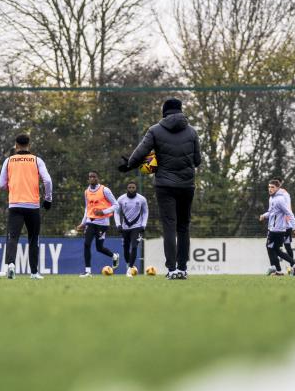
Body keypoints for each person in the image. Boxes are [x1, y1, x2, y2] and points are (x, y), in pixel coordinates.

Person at [119, 98, 202, 280]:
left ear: (164, 112)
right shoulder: (192, 132)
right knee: (183, 227)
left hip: (165, 185)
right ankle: (182, 269)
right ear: (180, 111)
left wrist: (129, 165)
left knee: (169, 226)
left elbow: (140, 153)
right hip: (187, 185)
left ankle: (171, 270)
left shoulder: (155, 130)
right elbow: (197, 161)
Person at [0, 133, 52, 280]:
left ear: (16, 145)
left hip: (15, 204)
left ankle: (11, 265)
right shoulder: (36, 160)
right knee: (33, 239)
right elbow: (48, 181)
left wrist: (13, 186)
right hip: (32, 206)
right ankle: (34, 273)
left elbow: (1, 184)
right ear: (29, 145)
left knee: (13, 237)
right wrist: (48, 199)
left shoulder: (9, 161)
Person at [75, 171, 119, 277]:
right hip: (90, 222)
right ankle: (88, 271)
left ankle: (114, 256)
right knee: (87, 244)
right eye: (90, 177)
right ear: (88, 179)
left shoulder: (105, 190)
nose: (92, 178)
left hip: (103, 223)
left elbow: (116, 205)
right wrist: (83, 223)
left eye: (94, 176)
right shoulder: (86, 192)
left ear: (98, 178)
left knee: (99, 248)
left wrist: (103, 212)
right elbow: (87, 208)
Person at [259, 179, 295, 275]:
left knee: (270, 247)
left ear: (277, 188)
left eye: (272, 187)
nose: (270, 189)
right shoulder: (272, 198)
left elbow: (289, 213)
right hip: (275, 229)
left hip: (277, 230)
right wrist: (264, 215)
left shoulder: (280, 199)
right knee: (276, 250)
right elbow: (271, 212)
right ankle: (294, 266)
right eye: (269, 187)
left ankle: (276, 268)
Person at [115, 181, 148, 277]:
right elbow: (116, 212)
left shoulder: (142, 199)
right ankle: (129, 265)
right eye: (129, 187)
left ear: (136, 188)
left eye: (133, 187)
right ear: (127, 188)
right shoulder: (121, 199)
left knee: (134, 247)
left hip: (137, 227)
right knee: (126, 249)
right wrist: (118, 225)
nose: (131, 189)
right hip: (125, 228)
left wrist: (143, 225)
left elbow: (145, 212)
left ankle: (130, 269)